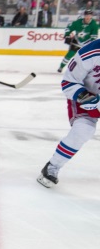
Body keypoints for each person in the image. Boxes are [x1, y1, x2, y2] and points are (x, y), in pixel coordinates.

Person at [38, 38, 100, 188]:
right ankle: (52, 167)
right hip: (85, 96)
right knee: (83, 130)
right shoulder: (91, 52)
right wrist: (85, 97)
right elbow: (69, 82)